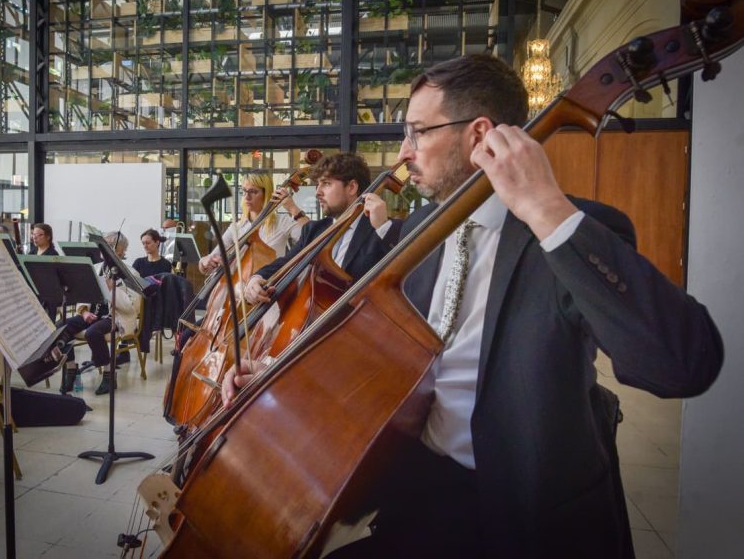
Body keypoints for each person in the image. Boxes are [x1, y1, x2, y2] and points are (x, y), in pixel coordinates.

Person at [225, 55, 723, 559]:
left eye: (418, 132)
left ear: (479, 134)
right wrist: (277, 378)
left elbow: (681, 365)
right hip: (419, 492)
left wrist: (545, 208)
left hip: (527, 513)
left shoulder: (567, 230)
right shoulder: (419, 229)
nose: (404, 153)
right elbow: (381, 355)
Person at [243, 152, 399, 305]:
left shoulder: (380, 229)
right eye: (318, 184)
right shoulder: (314, 230)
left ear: (351, 187)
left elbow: (397, 275)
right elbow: (285, 263)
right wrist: (256, 279)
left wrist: (383, 227)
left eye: (326, 183)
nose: (317, 192)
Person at [57, 231, 142, 395]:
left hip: (116, 317)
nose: (103, 249)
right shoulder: (95, 268)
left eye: (109, 246)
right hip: (91, 315)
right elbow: (83, 294)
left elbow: (132, 307)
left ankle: (109, 375)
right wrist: (84, 312)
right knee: (61, 326)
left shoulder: (131, 273)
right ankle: (71, 369)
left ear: (121, 251)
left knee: (93, 333)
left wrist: (112, 290)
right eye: (102, 245)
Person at [198, 171, 309, 276]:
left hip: (268, 285)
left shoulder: (282, 222)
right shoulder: (236, 227)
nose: (246, 197)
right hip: (238, 287)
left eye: (253, 192)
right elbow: (211, 262)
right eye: (244, 191)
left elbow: (311, 237)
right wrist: (204, 262)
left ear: (266, 194)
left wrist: (292, 208)